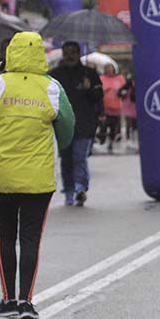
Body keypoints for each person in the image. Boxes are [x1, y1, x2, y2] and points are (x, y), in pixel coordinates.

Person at [0, 31, 76, 319]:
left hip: (3, 176)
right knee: (30, 238)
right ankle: (25, 302)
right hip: (38, 179)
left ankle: (7, 299)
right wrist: (59, 143)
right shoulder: (51, 87)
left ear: (11, 52)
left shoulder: (0, 84)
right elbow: (67, 126)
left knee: (5, 237)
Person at [49, 41, 103, 206]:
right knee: (66, 159)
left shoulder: (90, 73)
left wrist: (90, 89)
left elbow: (98, 97)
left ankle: (80, 187)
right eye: (66, 52)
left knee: (80, 157)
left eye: (73, 52)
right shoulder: (55, 75)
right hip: (63, 124)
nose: (70, 56)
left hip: (84, 123)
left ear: (79, 54)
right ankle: (69, 190)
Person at [99, 63, 125, 154]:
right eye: (107, 68)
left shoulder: (119, 78)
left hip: (116, 107)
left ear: (114, 69)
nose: (109, 70)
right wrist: (105, 91)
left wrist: (120, 92)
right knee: (104, 126)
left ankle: (111, 143)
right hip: (105, 107)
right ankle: (102, 142)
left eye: (110, 68)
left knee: (114, 127)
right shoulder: (101, 78)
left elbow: (124, 89)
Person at [118, 72, 138, 152]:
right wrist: (122, 93)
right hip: (127, 107)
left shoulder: (138, 86)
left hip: (135, 107)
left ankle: (135, 140)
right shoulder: (126, 86)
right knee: (129, 124)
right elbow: (119, 93)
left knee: (135, 125)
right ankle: (128, 140)